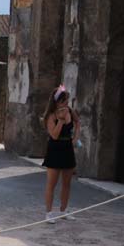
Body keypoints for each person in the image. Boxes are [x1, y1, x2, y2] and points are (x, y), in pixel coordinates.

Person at [42, 85, 79, 223]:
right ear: (57, 102)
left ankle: (63, 210)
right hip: (55, 149)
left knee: (67, 183)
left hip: (67, 147)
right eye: (63, 101)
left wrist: (75, 138)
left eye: (67, 101)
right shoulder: (51, 115)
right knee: (52, 183)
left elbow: (77, 122)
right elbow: (55, 135)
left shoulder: (70, 111)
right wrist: (62, 121)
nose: (66, 104)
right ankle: (49, 213)